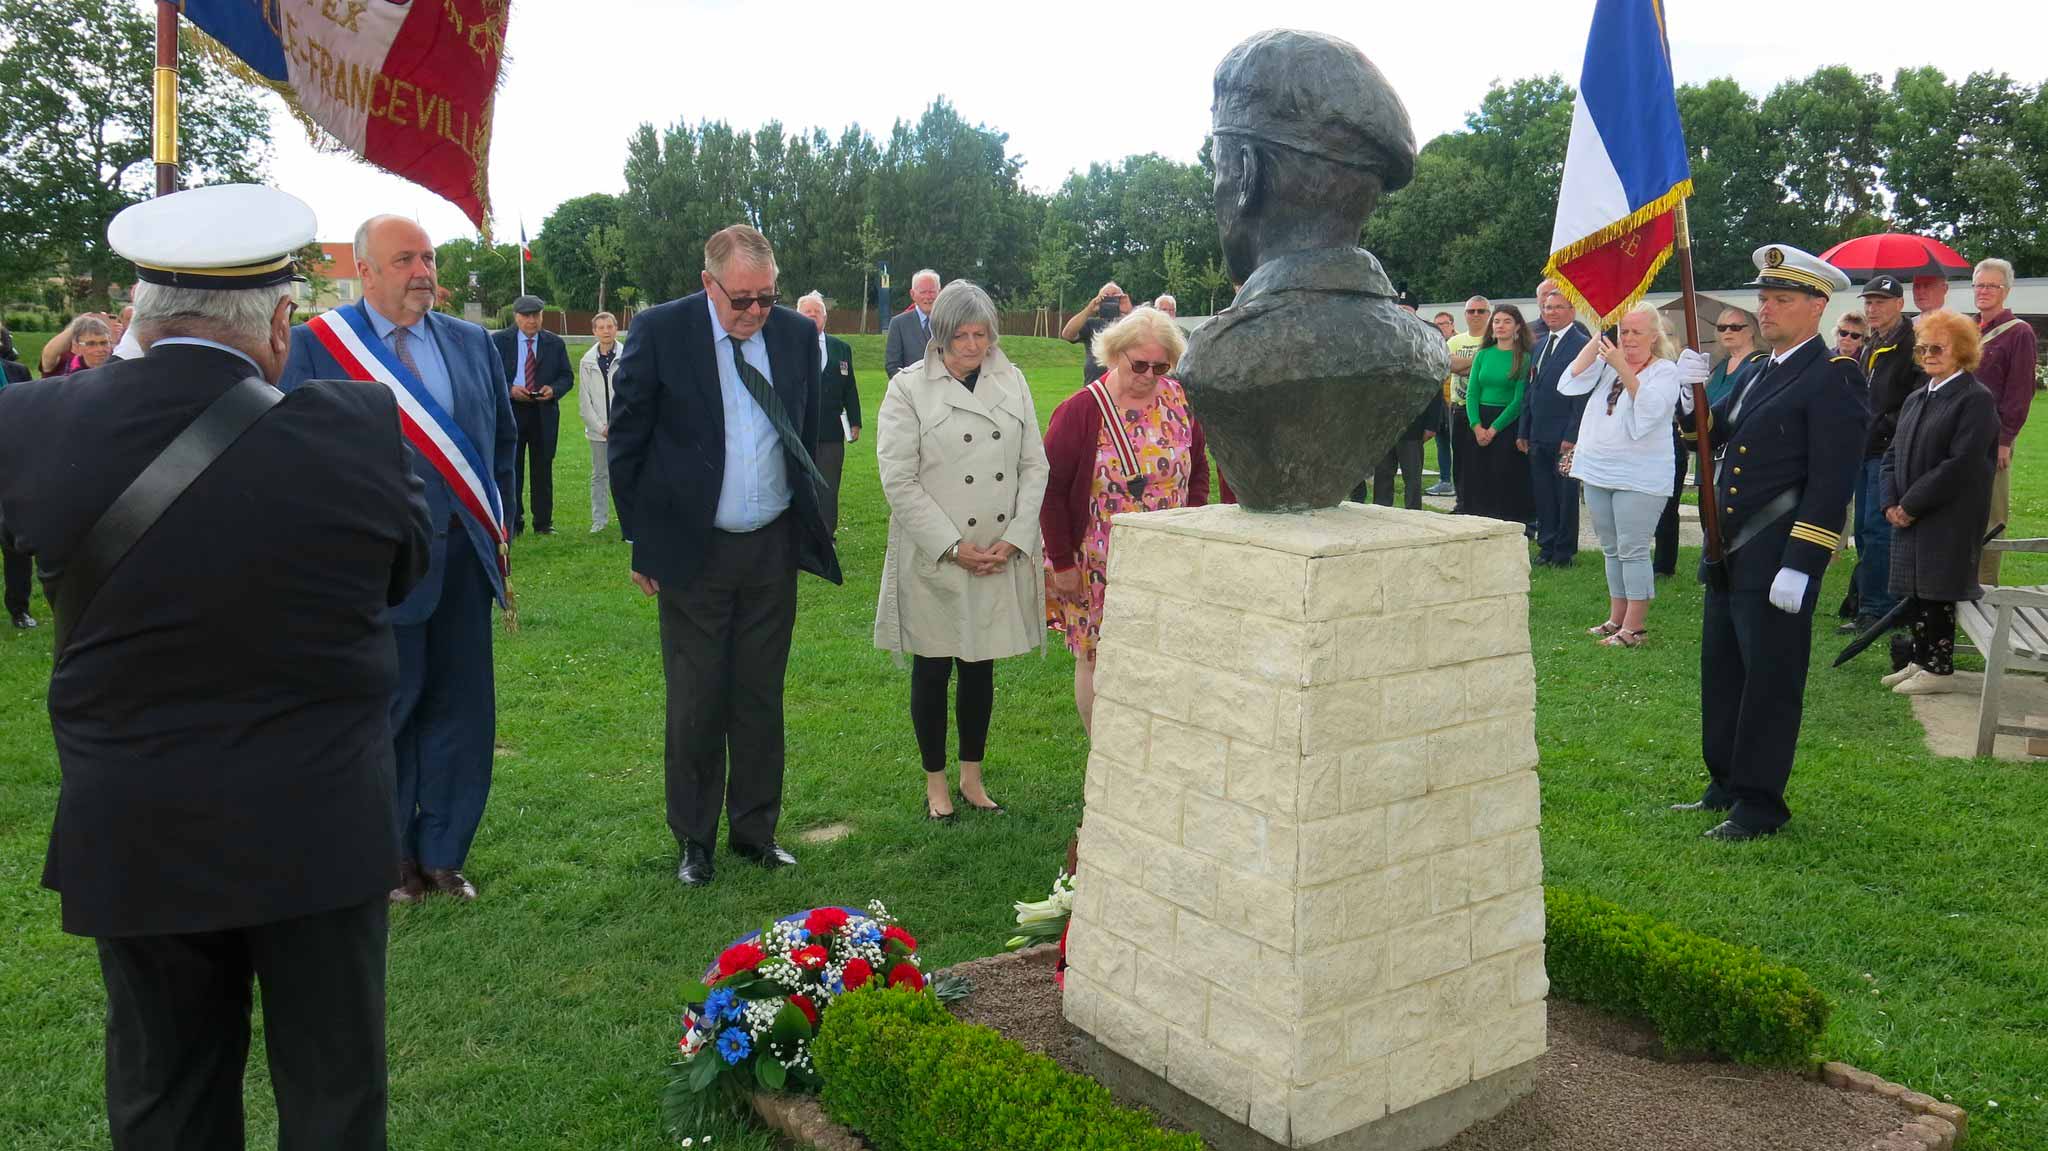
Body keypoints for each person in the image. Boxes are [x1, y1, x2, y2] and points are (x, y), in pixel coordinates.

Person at [0, 184, 430, 1150]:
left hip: (139, 827)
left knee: (167, 1101)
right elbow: (407, 566)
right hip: (316, 827)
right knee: (333, 1100)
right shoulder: (356, 430)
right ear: (282, 321)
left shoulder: (30, 423)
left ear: (139, 312)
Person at [282, 212, 518, 903]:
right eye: (405, 260)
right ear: (365, 271)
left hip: (466, 564)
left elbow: (500, 442)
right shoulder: (317, 347)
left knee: (463, 711)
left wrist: (496, 524)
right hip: (374, 573)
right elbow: (293, 457)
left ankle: (444, 853)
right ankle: (386, 859)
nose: (424, 272)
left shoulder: (473, 342)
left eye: (430, 258)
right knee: (386, 715)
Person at [609, 223, 842, 888]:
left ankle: (755, 830)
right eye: (742, 299)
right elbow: (628, 442)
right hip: (693, 548)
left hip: (770, 545)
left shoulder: (797, 335)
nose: (756, 312)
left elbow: (804, 427)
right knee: (696, 697)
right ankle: (693, 838)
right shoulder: (662, 331)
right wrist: (643, 540)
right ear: (708, 284)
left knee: (760, 696)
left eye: (767, 297)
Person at [1674, 244, 1865, 841]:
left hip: (1778, 552)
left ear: (1817, 307)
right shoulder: (1760, 369)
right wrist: (1690, 396)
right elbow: (1709, 436)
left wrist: (1803, 562)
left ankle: (1759, 804)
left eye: (1782, 299)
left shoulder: (1834, 376)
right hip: (1730, 550)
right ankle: (1725, 782)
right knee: (1723, 671)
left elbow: (1833, 480)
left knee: (1770, 682)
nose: (1768, 309)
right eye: (1764, 298)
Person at [873, 281, 1048, 820]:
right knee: (932, 669)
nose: (972, 346)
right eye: (961, 336)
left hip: (997, 552)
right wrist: (953, 546)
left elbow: (1033, 466)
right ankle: (936, 785)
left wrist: (1014, 539)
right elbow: (899, 480)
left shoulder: (1013, 380)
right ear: (939, 335)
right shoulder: (907, 390)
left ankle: (973, 777)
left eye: (982, 334)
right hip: (936, 558)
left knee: (980, 668)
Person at [1043, 306, 1210, 733]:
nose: (1149, 374)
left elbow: (1197, 471)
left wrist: (1192, 526)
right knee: (1096, 657)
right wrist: (1062, 563)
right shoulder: (1081, 410)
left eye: (1161, 365)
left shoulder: (1180, 399)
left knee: (1158, 653)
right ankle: (1105, 754)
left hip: (1167, 560)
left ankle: (1148, 746)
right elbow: (1050, 491)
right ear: (1115, 353)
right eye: (1140, 364)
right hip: (1099, 565)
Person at [1556, 304, 1696, 646]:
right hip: (1599, 470)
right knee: (1611, 549)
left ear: (1653, 336)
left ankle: (1635, 628)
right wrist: (1600, 333)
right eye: (1624, 332)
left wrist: (1623, 366)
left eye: (1636, 332)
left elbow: (1651, 411)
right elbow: (1570, 380)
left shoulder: (1665, 371)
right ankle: (1615, 617)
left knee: (1632, 550)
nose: (1628, 338)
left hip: (1640, 477)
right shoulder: (1607, 366)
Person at [1880, 309, 2000, 695]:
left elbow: (1961, 464)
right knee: (1915, 588)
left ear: (1962, 351)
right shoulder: (1917, 397)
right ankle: (1918, 659)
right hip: (1908, 513)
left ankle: (1939, 667)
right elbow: (1892, 454)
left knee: (1938, 589)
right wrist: (1890, 502)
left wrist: (1911, 504)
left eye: (1938, 348)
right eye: (1922, 348)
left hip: (1948, 514)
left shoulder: (1974, 400)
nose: (1928, 354)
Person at [1846, 275, 1925, 634]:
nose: (1872, 308)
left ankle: (1878, 609)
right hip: (1864, 447)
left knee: (1879, 529)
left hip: (1889, 449)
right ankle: (1868, 601)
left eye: (1879, 302)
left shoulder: (1913, 344)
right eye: (1868, 302)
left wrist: (1881, 425)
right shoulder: (1870, 343)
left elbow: (1917, 398)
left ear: (1898, 303)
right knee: (1863, 528)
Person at [1970, 258, 2038, 587]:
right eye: (1979, 285)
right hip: (1959, 436)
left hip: (1991, 438)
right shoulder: (1968, 331)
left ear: (2006, 291)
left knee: (1990, 519)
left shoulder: (2018, 333)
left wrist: (2005, 439)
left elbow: (2020, 391)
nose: (1983, 291)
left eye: (1991, 286)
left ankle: (1985, 589)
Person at [1519, 290, 1592, 566]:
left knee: (1565, 495)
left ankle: (1563, 552)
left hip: (1564, 435)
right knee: (1543, 494)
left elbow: (1582, 395)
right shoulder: (1538, 345)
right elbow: (1531, 389)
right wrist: (1524, 430)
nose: (1551, 312)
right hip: (1538, 433)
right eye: (1547, 307)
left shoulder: (1581, 344)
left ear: (1572, 312)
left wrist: (1572, 435)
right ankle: (1546, 545)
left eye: (1558, 307)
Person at [494, 295, 574, 536]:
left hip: (543, 412)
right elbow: (489, 375)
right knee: (511, 468)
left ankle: (543, 523)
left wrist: (554, 390)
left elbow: (566, 377)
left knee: (543, 469)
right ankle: (513, 521)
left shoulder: (555, 343)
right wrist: (509, 389)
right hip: (512, 412)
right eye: (526, 316)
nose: (531, 321)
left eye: (536, 315)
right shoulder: (499, 342)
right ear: (516, 316)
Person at [1459, 305, 1534, 525]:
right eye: (1497, 321)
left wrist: (1493, 430)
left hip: (1506, 424)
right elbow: (1472, 392)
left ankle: (1504, 524)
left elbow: (1519, 400)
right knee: (1476, 475)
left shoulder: (1524, 357)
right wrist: (1477, 426)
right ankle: (1476, 522)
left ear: (1517, 326)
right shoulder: (1482, 355)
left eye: (1507, 321)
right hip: (1478, 420)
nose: (1500, 326)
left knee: (1503, 476)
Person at [797, 291, 862, 537]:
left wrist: (855, 421)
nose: (813, 316)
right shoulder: (788, 346)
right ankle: (801, 535)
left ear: (825, 317)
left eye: (817, 312)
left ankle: (826, 536)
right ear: (798, 316)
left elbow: (850, 388)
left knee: (828, 486)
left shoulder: (841, 349)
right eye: (807, 312)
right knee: (800, 484)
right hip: (799, 430)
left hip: (831, 433)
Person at [1440, 296, 1490, 500]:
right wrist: (1480, 362)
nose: (1475, 315)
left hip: (1486, 407)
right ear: (1465, 315)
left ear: (1489, 314)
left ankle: (1484, 503)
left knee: (1484, 459)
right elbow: (1450, 365)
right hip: (1459, 408)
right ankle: (1462, 502)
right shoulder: (1454, 341)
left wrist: (1467, 365)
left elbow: (1492, 370)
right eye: (1471, 311)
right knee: (1459, 457)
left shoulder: (1494, 339)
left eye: (1480, 311)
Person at [578, 311, 623, 534]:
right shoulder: (586, 361)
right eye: (601, 327)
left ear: (616, 328)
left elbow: (633, 394)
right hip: (598, 432)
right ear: (594, 331)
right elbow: (585, 401)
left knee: (626, 474)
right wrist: (601, 427)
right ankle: (599, 520)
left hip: (624, 429)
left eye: (609, 326)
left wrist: (619, 424)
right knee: (599, 475)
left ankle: (629, 520)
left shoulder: (629, 355)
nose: (606, 331)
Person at [1060, 280, 1130, 384]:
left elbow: (1146, 334)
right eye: (1106, 296)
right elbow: (1067, 334)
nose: (1110, 298)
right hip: (1094, 385)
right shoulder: (1092, 324)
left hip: (1124, 386)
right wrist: (1089, 310)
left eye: (1115, 295)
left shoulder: (1130, 324)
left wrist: (1129, 311)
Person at [1704, 307, 1766, 407]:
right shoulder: (1720, 366)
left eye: (1735, 327)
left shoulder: (1761, 364)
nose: (1727, 331)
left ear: (1751, 330)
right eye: (1722, 328)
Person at [884, 269, 940, 377]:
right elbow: (892, 366)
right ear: (913, 294)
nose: (928, 297)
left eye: (932, 291)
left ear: (940, 292)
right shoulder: (898, 324)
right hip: (911, 390)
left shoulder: (950, 322)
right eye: (923, 292)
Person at [43, 315, 115, 376]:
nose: (100, 349)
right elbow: (48, 355)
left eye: (104, 343)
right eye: (91, 344)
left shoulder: (116, 364)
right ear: (77, 346)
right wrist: (79, 323)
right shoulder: (65, 365)